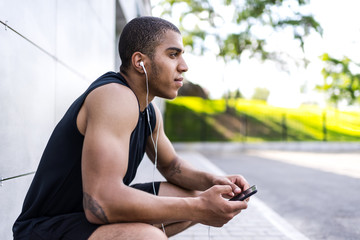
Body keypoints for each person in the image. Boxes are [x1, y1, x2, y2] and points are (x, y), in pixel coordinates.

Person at [13, 16, 251, 240]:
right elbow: (102, 203)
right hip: (46, 227)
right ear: (140, 62)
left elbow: (172, 167)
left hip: (84, 218)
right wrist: (200, 209)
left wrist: (216, 182)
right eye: (172, 54)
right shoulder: (114, 97)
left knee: (196, 194)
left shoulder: (148, 110)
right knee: (148, 236)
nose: (184, 66)